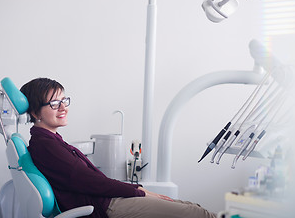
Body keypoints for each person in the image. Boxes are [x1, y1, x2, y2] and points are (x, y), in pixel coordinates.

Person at [20, 77, 216, 218]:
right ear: (36, 111)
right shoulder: (45, 146)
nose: (63, 107)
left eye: (64, 100)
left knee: (191, 207)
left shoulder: (52, 141)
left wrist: (138, 190)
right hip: (106, 205)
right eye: (54, 103)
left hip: (108, 200)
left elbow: (91, 180)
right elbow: (90, 181)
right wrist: (140, 191)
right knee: (196, 213)